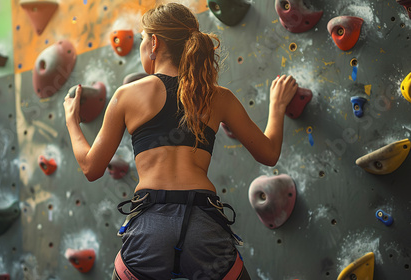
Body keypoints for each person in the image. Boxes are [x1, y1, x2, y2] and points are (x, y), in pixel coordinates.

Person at [63, 3, 298, 280]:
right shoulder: (216, 96)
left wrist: (71, 121)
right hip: (204, 225)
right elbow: (269, 153)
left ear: (153, 42)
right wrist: (277, 106)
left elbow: (91, 168)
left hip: (150, 227)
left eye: (141, 40)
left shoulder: (127, 95)